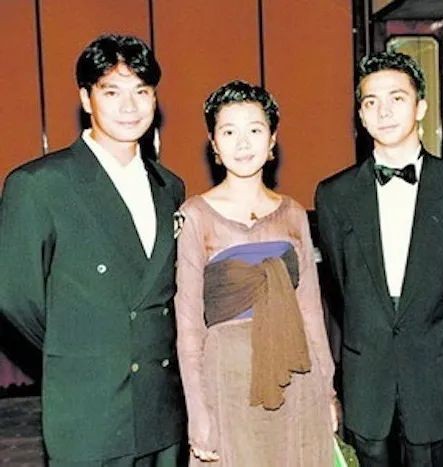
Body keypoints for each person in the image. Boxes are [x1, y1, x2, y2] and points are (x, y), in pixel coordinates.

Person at [0, 34, 185, 465]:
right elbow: (14, 297)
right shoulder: (41, 184)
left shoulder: (170, 188)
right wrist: (78, 350)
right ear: (86, 98)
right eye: (112, 92)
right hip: (89, 410)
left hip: (161, 411)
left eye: (141, 91)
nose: (129, 106)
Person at [315, 51, 443, 467]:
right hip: (367, 381)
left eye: (397, 98)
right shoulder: (334, 196)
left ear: (421, 107)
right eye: (371, 102)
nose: (384, 111)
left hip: (438, 381)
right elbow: (341, 288)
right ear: (361, 115)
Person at [175, 80, 337, 466]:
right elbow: (188, 325)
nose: (243, 143)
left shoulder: (293, 213)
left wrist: (328, 392)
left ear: (272, 139)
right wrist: (198, 412)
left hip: (295, 373)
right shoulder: (195, 215)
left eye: (254, 130)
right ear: (214, 145)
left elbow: (311, 312)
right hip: (227, 379)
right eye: (229, 132)